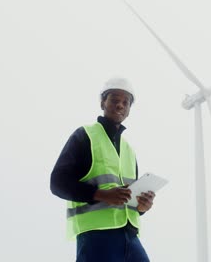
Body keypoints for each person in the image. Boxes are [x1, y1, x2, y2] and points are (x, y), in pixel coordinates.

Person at [50, 77, 155, 262]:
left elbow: (127, 198)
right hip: (96, 236)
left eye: (125, 102)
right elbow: (58, 183)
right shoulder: (85, 136)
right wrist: (102, 195)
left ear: (129, 109)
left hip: (130, 236)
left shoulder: (128, 150)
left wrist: (142, 207)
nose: (120, 105)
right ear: (102, 103)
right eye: (114, 99)